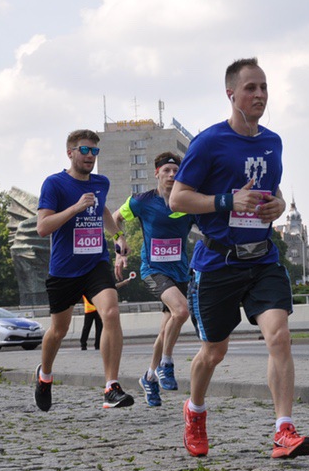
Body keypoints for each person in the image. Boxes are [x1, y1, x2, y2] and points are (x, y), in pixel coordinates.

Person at [169, 57, 309, 459]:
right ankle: (195, 411)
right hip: (218, 262)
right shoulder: (209, 142)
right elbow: (177, 199)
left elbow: (273, 190)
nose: (260, 95)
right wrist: (226, 201)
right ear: (231, 94)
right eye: (251, 88)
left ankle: (283, 429)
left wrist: (278, 205)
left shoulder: (273, 141)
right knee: (214, 352)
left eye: (264, 87)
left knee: (279, 336)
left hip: (262, 259)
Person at [33, 129, 133, 411]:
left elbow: (102, 211)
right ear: (70, 153)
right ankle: (44, 376)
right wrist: (75, 208)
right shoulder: (54, 184)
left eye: (95, 151)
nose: (90, 156)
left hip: (95, 264)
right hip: (65, 269)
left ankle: (111, 387)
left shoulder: (102, 183)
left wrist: (118, 236)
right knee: (59, 330)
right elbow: (42, 227)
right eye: (85, 150)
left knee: (111, 312)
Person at [113, 151, 195, 407]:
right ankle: (165, 364)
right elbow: (114, 218)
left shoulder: (187, 202)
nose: (171, 175)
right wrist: (119, 247)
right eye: (166, 171)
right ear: (157, 174)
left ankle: (149, 377)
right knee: (181, 311)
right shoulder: (142, 201)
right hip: (152, 270)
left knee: (165, 329)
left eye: (176, 171)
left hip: (180, 272)